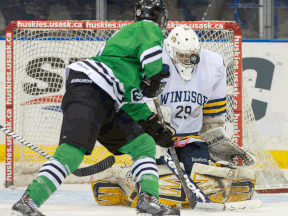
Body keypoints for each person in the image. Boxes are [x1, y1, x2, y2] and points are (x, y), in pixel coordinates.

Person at [10, 0, 181, 215]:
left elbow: (128, 96)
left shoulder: (122, 40)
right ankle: (27, 203)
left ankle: (148, 201)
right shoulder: (149, 28)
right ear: (160, 18)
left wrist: (153, 126)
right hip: (89, 89)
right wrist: (155, 74)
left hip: (106, 98)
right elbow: (152, 63)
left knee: (143, 143)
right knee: (73, 150)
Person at [91, 25, 257, 207]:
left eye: (192, 56)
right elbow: (135, 105)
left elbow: (213, 114)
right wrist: (152, 132)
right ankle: (119, 176)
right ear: (169, 50)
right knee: (153, 174)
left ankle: (135, 180)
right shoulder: (152, 61)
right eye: (182, 55)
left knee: (199, 175)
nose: (188, 60)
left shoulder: (214, 65)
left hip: (191, 139)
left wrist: (214, 140)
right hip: (155, 139)